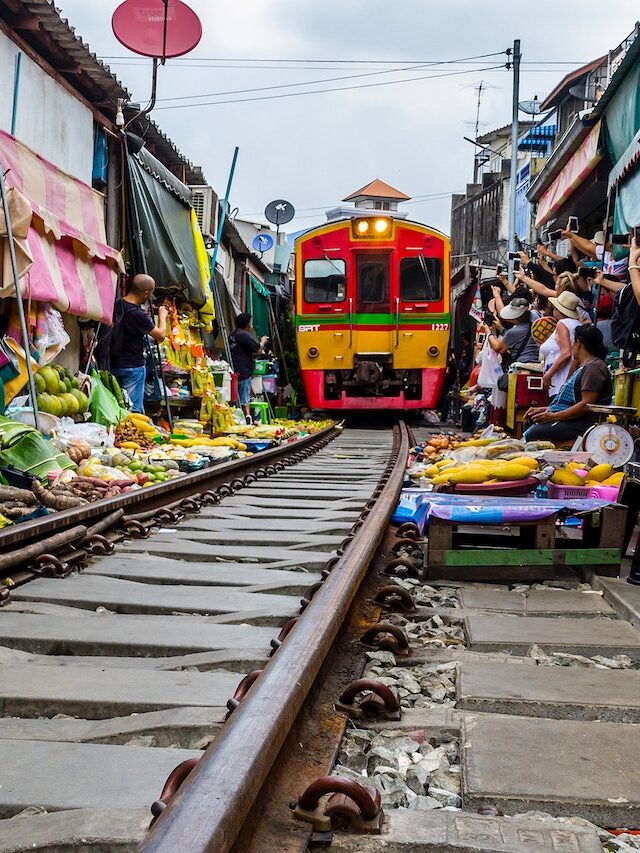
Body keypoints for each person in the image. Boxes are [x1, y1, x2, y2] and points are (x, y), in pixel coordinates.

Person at [523, 324, 612, 443]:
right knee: (530, 421)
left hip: (583, 422)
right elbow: (569, 403)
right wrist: (543, 410)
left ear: (579, 343)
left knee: (534, 433)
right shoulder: (584, 367)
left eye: (572, 342)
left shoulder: (594, 367)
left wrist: (553, 416)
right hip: (572, 419)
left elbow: (586, 404)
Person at [109, 274, 167, 414]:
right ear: (146, 293)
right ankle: (130, 434)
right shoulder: (138, 315)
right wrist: (162, 317)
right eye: (151, 292)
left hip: (114, 364)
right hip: (133, 367)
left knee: (117, 407)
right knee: (133, 411)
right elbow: (160, 336)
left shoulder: (116, 305)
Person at [539, 291, 582, 399]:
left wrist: (549, 374)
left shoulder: (562, 324)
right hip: (570, 379)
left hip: (560, 380)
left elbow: (566, 352)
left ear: (558, 310)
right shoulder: (578, 325)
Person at [229, 313, 267, 422]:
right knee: (244, 398)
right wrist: (263, 341)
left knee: (236, 396)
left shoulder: (232, 335)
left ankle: (238, 418)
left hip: (234, 369)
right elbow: (256, 348)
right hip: (244, 370)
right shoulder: (244, 335)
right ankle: (246, 419)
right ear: (248, 324)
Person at [484, 297, 540, 368]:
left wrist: (488, 332)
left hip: (522, 363)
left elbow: (498, 348)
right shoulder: (536, 316)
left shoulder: (514, 332)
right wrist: (501, 328)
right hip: (537, 361)